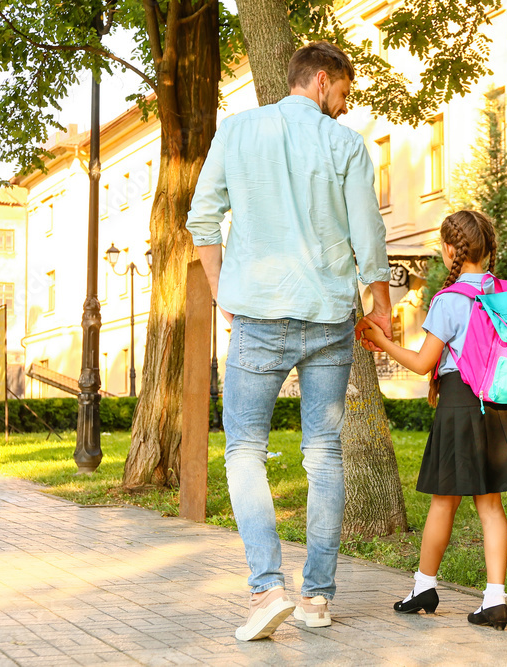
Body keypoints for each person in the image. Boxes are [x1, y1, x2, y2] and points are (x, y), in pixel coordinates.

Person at [185, 41, 392, 641]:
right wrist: (379, 303)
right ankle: (317, 598)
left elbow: (203, 218)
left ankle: (267, 588)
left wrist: (224, 291)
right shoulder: (346, 146)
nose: (343, 109)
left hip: (258, 314)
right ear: (322, 81)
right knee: (323, 452)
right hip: (328, 316)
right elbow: (367, 234)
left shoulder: (238, 131)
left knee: (245, 448)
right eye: (344, 96)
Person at [358, 210, 507, 631]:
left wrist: (382, 340)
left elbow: (424, 364)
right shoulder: (506, 294)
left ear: (450, 249)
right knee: (491, 506)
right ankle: (495, 599)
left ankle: (424, 586)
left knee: (444, 499)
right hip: (501, 404)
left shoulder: (450, 299)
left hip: (461, 403)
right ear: (488, 249)